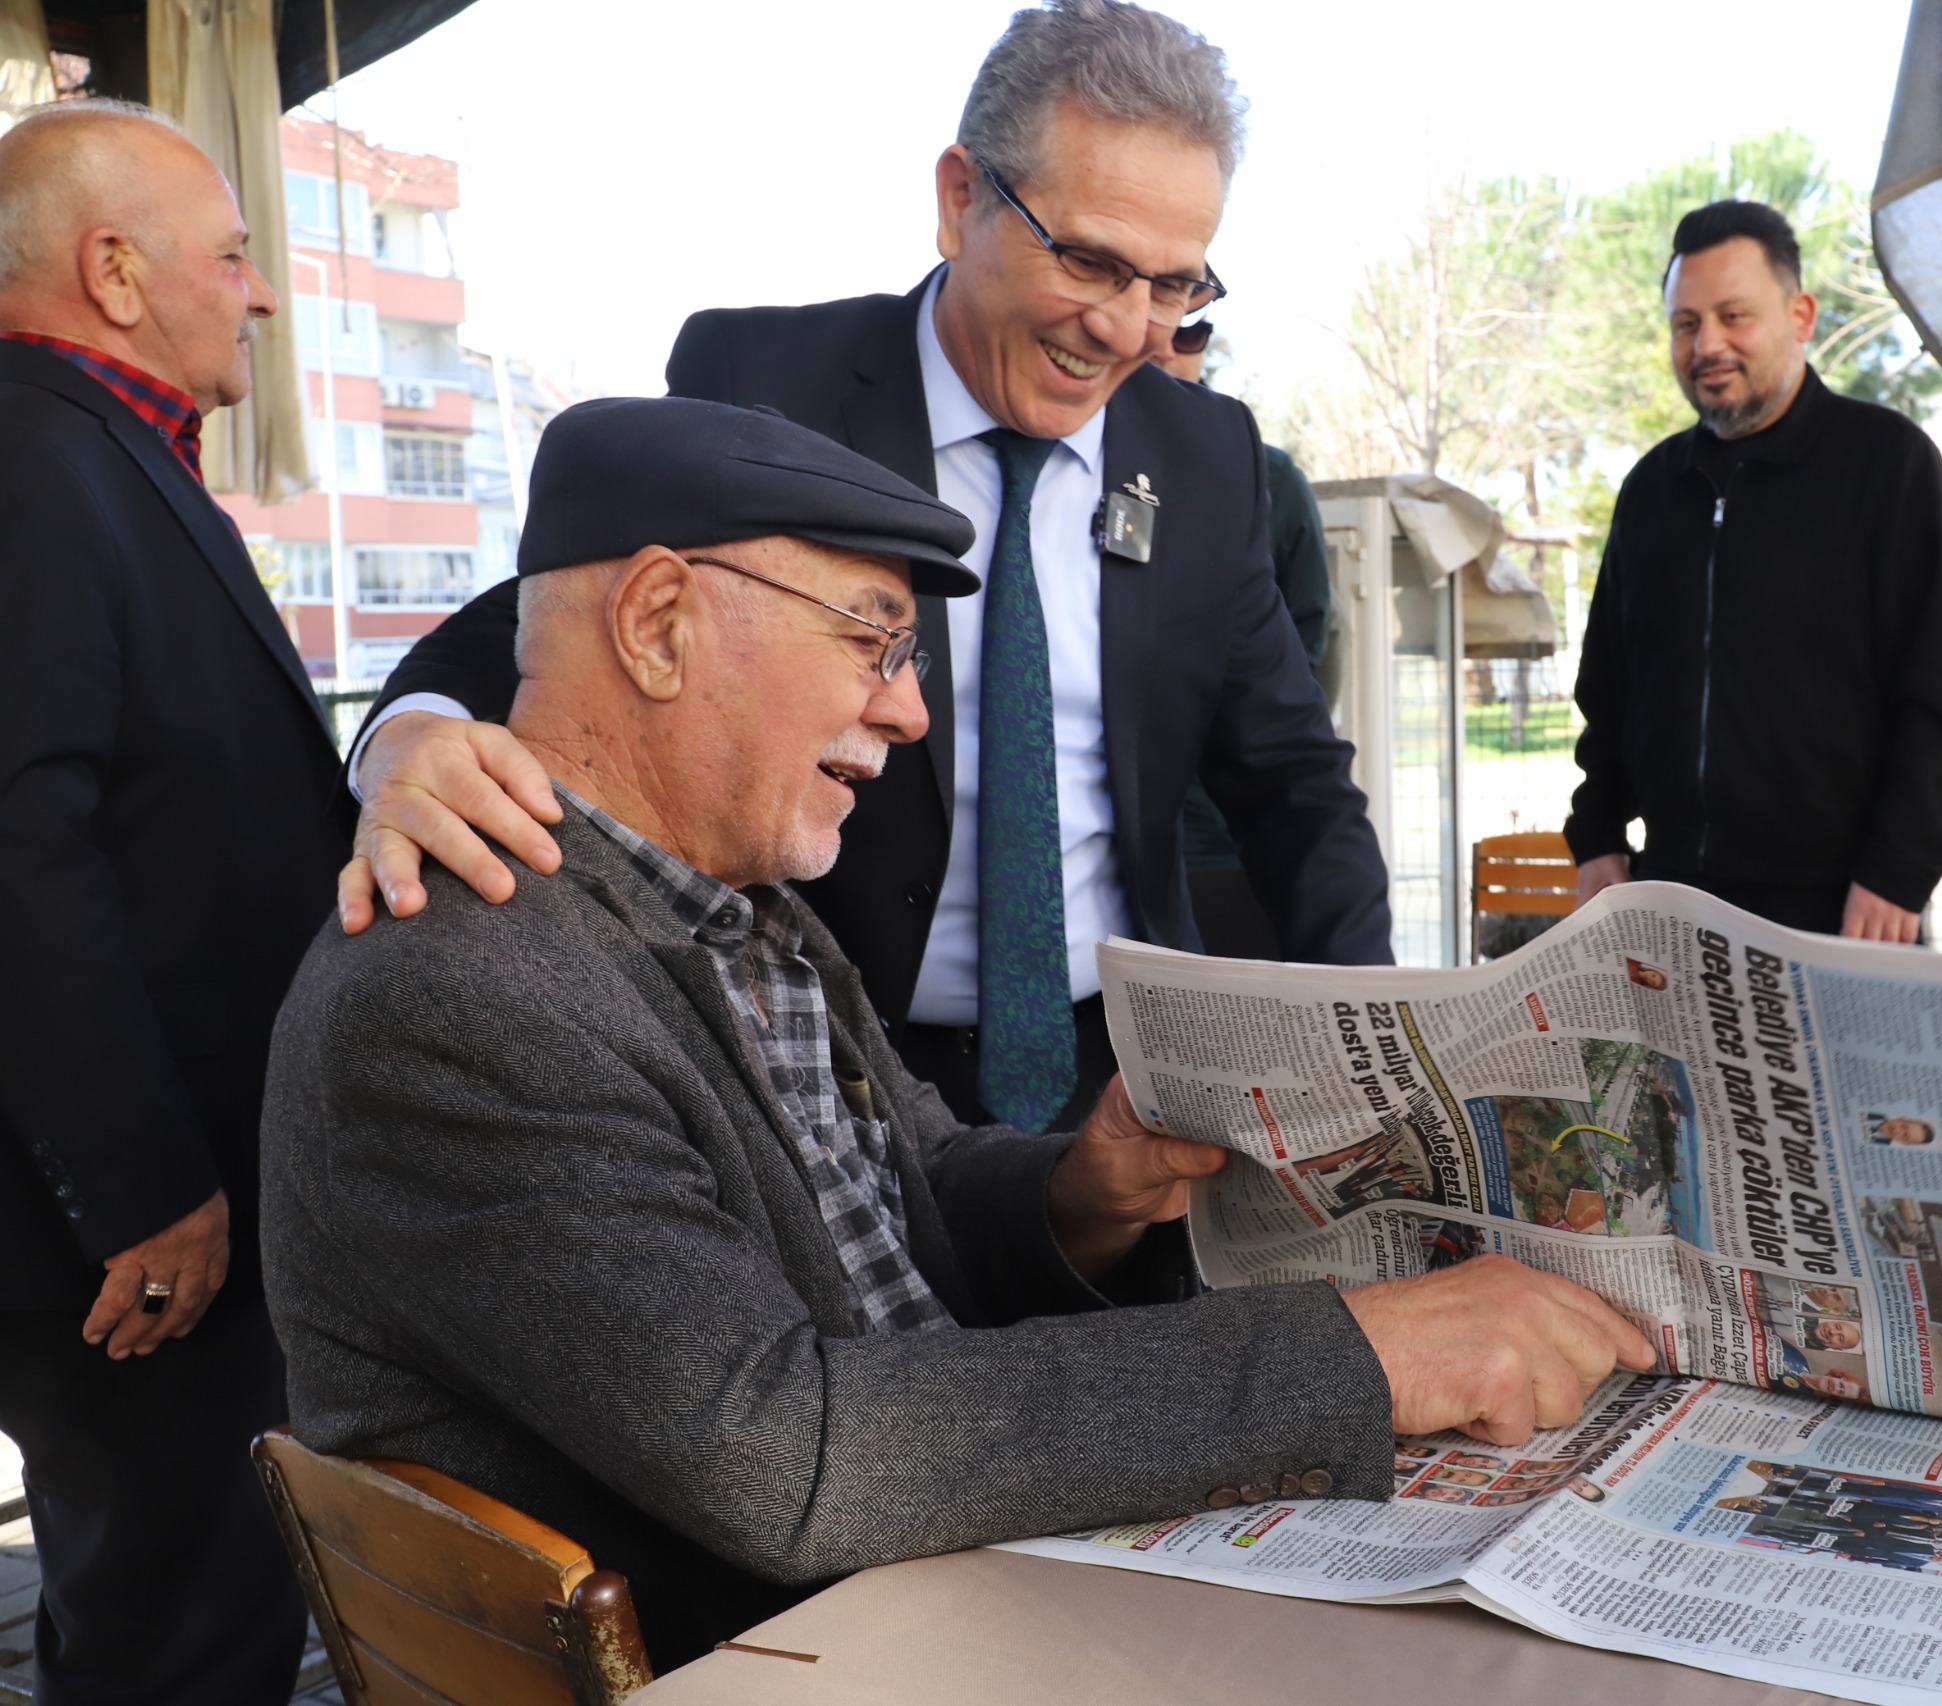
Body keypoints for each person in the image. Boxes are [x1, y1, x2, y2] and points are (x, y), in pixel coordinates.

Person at [260, 395, 1655, 1665]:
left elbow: (910, 1197)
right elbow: (789, 1448)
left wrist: (1079, 1190)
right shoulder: (463, 995)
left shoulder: (735, 913)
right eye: (874, 637)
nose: (912, 710)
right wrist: (1368, 1352)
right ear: (660, 622)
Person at [338, 0, 1389, 1136]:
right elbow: (556, 617)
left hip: (1125, 1084)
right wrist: (410, 740)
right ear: (960, 199)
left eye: (1176, 284)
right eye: (1090, 260)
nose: (1130, 328)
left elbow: (1295, 786)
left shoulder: (1206, 455)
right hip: (826, 1064)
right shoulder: (765, 377)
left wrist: (1379, 1061)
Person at [0, 102, 352, 1705]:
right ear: (116, 270)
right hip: (130, 1238)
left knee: (150, 1619)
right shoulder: (34, 455)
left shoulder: (98, 446)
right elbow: (19, 848)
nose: (258, 291)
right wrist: (147, 1188)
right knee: (179, 1644)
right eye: (233, 254)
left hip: (160, 1214)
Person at [1565, 199, 1942, 941]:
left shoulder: (1888, 466)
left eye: (1735, 316)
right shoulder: (1650, 492)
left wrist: (1899, 870)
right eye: (1686, 324)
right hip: (1670, 904)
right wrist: (1597, 833)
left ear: (1800, 316)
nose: (1708, 345)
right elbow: (1612, 689)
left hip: (1843, 908)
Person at [1147, 315, 1336, 958]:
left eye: (1188, 326)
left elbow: (1308, 643)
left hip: (1221, 840)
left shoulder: (1264, 479)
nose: (1162, 339)